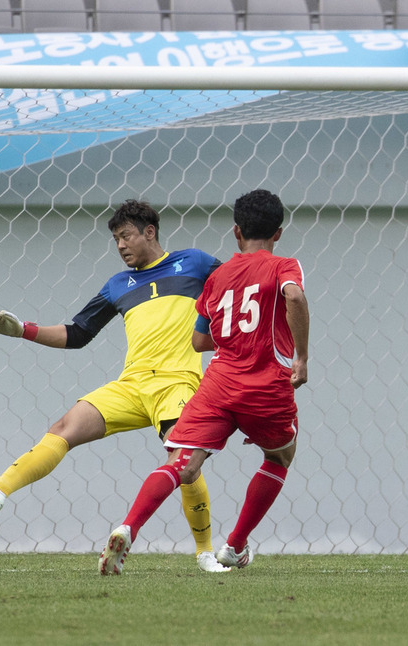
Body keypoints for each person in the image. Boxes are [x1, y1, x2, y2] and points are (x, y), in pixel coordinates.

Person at [0, 199, 232, 573]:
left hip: (177, 383)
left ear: (150, 232)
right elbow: (78, 333)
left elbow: (237, 287)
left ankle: (204, 553)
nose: (120, 245)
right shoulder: (118, 285)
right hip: (131, 386)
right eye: (115, 239)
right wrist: (23, 331)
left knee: (185, 465)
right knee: (64, 428)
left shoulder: (194, 262)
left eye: (126, 235)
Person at [98, 188, 310, 575]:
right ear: (278, 233)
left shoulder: (218, 278)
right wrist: (302, 357)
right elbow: (293, 297)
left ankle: (128, 526)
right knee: (280, 456)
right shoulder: (283, 265)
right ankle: (234, 546)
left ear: (236, 232)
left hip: (218, 386)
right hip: (265, 386)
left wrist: (232, 336)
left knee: (184, 463)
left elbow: (200, 340)